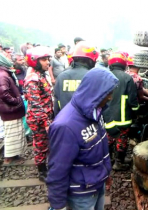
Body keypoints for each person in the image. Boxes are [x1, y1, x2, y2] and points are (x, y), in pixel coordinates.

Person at [47, 67, 118, 210]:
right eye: (108, 93)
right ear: (95, 92)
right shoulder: (65, 126)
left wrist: (106, 173)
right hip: (81, 194)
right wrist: (58, 205)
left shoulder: (96, 112)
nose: (110, 97)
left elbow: (102, 146)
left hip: (98, 183)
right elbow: (58, 168)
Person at [104, 52, 139, 171]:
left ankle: (108, 160)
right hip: (123, 116)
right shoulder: (128, 78)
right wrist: (136, 111)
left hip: (107, 116)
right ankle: (119, 162)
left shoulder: (105, 76)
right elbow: (133, 99)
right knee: (122, 138)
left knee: (108, 137)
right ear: (124, 64)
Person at [24, 46, 53, 182]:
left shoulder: (40, 75)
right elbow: (36, 105)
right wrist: (46, 123)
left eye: (48, 59)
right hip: (39, 120)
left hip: (44, 117)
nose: (48, 62)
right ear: (34, 61)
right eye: (44, 60)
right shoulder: (33, 79)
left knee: (46, 144)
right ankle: (42, 172)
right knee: (41, 145)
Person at [0, 51, 26, 165]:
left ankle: (14, 156)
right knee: (12, 134)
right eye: (6, 56)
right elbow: (4, 94)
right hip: (10, 109)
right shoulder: (2, 74)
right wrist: (17, 101)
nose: (9, 58)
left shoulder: (2, 71)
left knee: (14, 133)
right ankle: (9, 159)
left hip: (9, 109)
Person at [53, 41, 99, 116]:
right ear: (91, 60)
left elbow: (57, 105)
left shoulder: (61, 77)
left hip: (64, 121)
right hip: (86, 123)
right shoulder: (93, 76)